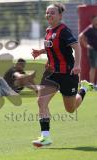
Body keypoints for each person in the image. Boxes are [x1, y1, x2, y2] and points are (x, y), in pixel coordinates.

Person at [31, 3, 93, 147]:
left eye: (52, 13)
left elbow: (76, 46)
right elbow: (53, 48)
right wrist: (41, 52)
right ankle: (45, 137)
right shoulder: (48, 31)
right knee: (41, 101)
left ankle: (84, 89)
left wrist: (77, 65)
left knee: (70, 109)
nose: (49, 15)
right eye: (47, 12)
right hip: (52, 73)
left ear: (60, 15)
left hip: (68, 74)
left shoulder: (64, 30)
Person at [79, 16, 97, 90]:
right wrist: (87, 45)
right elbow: (81, 36)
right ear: (93, 21)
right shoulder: (90, 28)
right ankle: (91, 85)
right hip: (93, 51)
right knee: (93, 67)